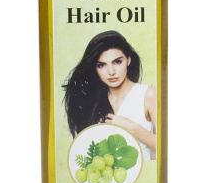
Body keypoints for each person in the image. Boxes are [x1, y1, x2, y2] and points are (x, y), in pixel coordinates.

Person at [63, 30, 157, 160]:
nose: (111, 72)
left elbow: (166, 146)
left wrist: (131, 127)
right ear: (95, 68)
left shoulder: (149, 94)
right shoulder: (93, 100)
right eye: (101, 65)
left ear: (128, 60)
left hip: (141, 171)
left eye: (117, 62)